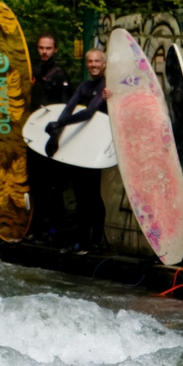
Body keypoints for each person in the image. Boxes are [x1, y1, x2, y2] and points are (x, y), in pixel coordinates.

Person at [46, 48, 108, 252]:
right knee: (81, 195)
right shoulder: (84, 86)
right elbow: (67, 109)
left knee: (93, 195)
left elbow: (89, 113)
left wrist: (59, 123)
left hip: (98, 148)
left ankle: (97, 240)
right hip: (82, 146)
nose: (93, 65)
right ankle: (82, 240)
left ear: (104, 63)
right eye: (90, 61)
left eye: (97, 61)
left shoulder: (106, 86)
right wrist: (56, 133)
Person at [29, 32, 72, 243]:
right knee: (36, 185)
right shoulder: (34, 71)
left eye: (48, 48)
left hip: (51, 137)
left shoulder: (60, 75)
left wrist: (56, 137)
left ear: (55, 49)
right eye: (41, 48)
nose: (44, 52)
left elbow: (65, 109)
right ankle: (36, 228)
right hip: (34, 135)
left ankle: (56, 231)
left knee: (53, 187)